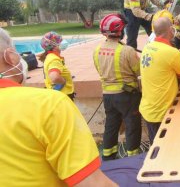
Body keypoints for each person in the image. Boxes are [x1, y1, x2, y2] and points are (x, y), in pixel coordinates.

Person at [0, 28, 116, 186]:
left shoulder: (49, 59)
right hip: (62, 97)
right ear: (11, 57)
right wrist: (62, 83)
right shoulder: (49, 106)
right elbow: (93, 183)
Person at [93, 14, 142, 161]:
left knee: (111, 126)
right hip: (127, 96)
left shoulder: (97, 50)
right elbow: (139, 71)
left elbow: (99, 69)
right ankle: (133, 158)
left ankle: (108, 157)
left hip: (107, 95)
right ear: (120, 31)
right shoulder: (127, 51)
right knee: (132, 126)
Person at [139, 17, 180, 143]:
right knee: (166, 149)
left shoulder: (147, 47)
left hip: (148, 110)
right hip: (163, 113)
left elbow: (163, 63)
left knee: (155, 147)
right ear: (170, 29)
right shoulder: (171, 52)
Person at [39, 31, 75, 100]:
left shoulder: (51, 57)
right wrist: (63, 81)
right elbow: (54, 77)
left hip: (60, 96)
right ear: (54, 46)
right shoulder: (54, 59)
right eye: (60, 41)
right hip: (62, 97)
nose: (62, 42)